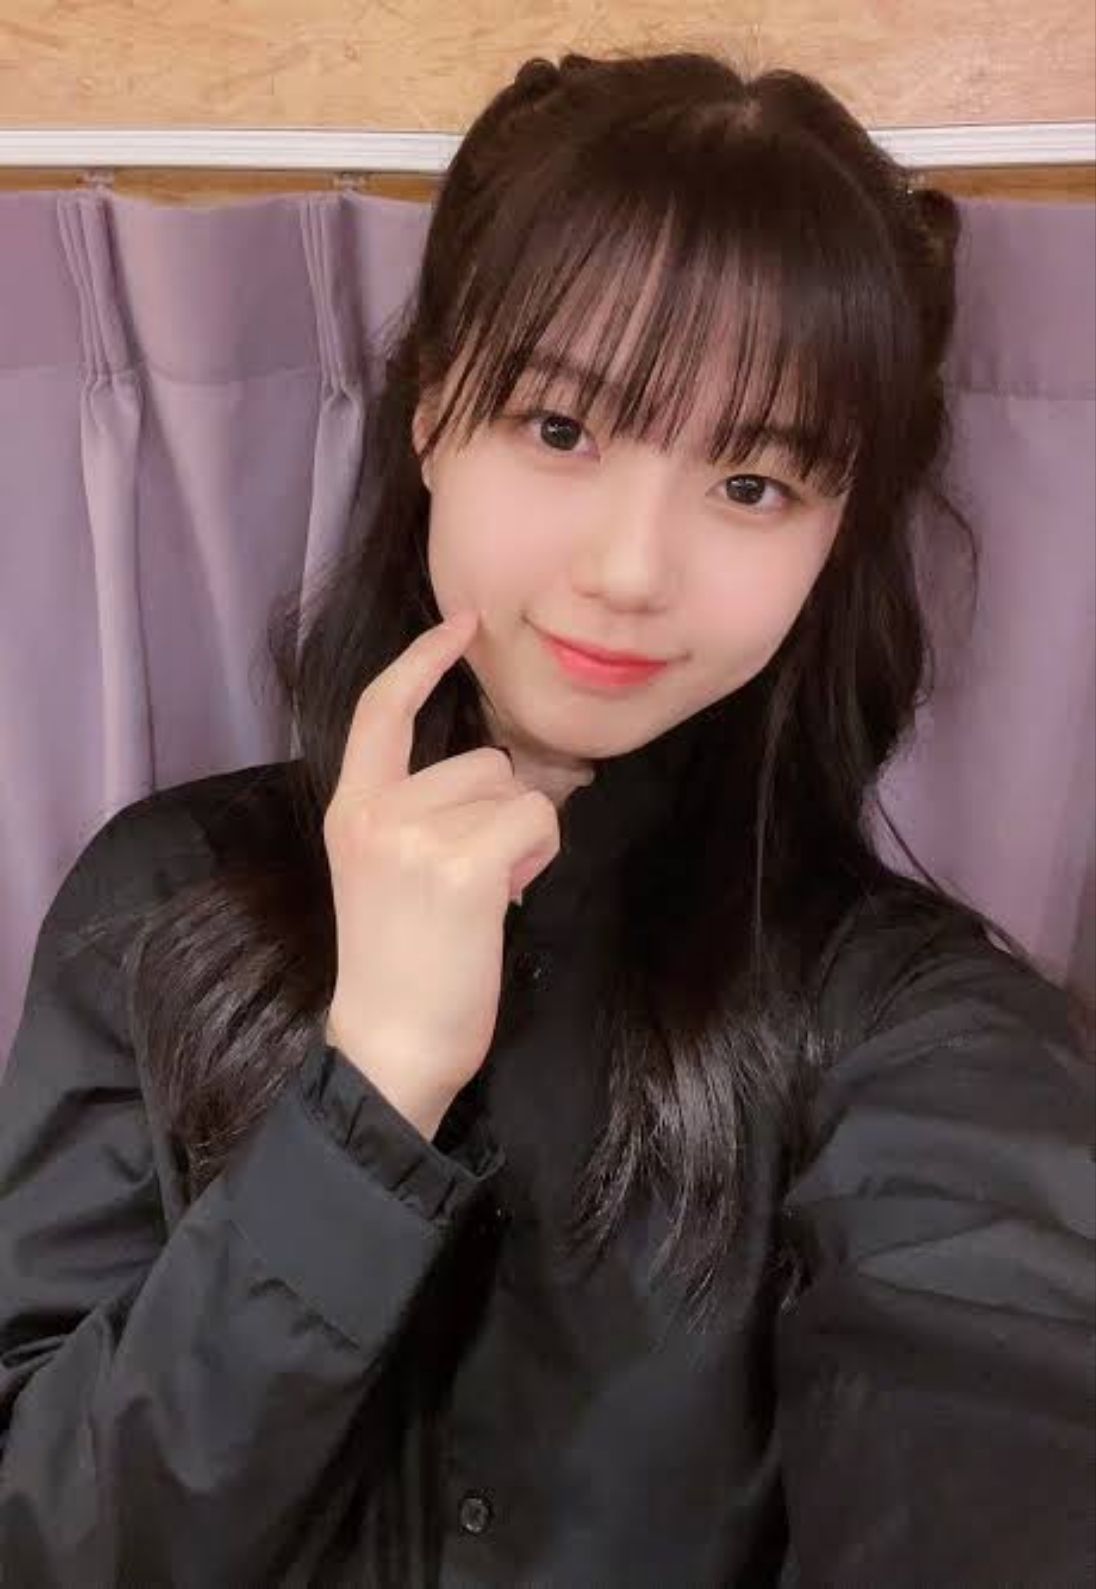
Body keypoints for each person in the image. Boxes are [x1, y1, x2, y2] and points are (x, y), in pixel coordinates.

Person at [0, 47, 1092, 1589]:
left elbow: (994, 1396)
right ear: (434, 410)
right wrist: (369, 1091)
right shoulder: (162, 901)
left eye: (755, 483)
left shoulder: (909, 1016)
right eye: (563, 429)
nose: (631, 570)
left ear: (838, 529)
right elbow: (44, 1538)